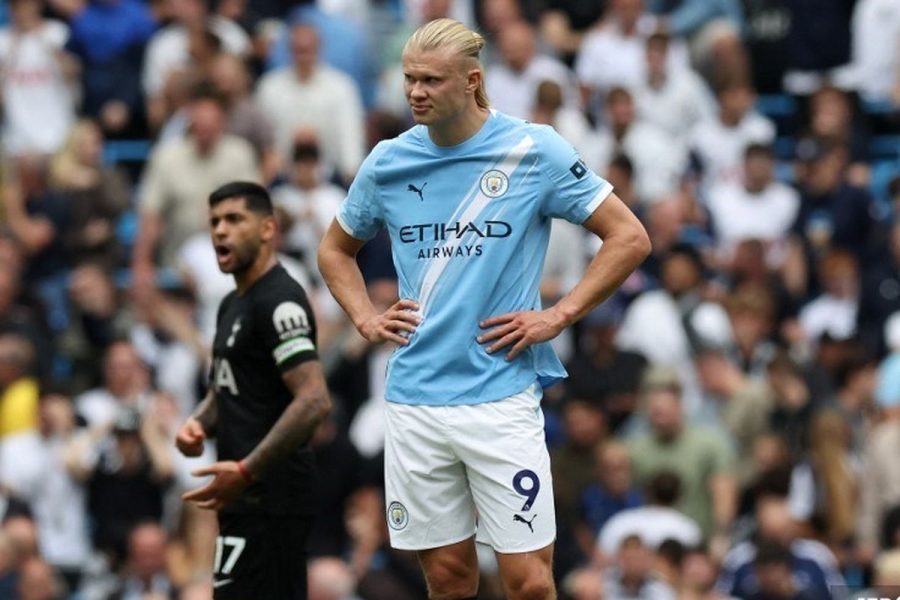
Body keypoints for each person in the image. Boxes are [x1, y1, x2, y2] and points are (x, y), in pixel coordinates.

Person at [317, 18, 651, 600]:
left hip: (501, 396)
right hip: (415, 400)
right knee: (448, 579)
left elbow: (629, 237)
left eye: (431, 80)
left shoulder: (533, 149)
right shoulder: (389, 161)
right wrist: (365, 317)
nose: (415, 92)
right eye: (409, 79)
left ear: (472, 81)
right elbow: (334, 249)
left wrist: (559, 314)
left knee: (529, 582)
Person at [175, 181, 332, 599]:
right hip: (242, 498)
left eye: (234, 219)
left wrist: (247, 470)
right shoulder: (231, 304)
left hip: (273, 498)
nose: (220, 231)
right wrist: (197, 422)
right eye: (214, 222)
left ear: (267, 229)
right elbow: (225, 388)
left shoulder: (280, 301)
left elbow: (314, 399)